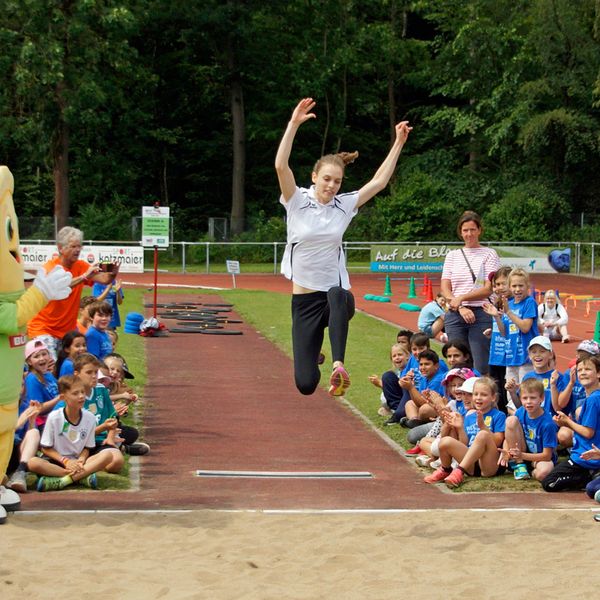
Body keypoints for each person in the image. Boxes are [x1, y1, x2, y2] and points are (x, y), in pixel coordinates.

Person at [275, 98, 411, 396]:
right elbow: (280, 165)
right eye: (326, 179)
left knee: (337, 293)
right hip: (305, 304)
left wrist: (398, 143)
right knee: (306, 384)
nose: (331, 185)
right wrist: (294, 124)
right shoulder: (297, 200)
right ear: (314, 177)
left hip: (336, 301)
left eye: (337, 181)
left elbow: (378, 183)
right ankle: (317, 357)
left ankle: (338, 365)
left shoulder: (343, 205)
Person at [27, 226, 119, 359]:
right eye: (73, 246)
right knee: (49, 364)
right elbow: (58, 286)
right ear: (60, 248)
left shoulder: (81, 266)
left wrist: (112, 274)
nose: (77, 250)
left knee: (70, 367)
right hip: (44, 328)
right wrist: (83, 277)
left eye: (79, 246)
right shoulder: (50, 267)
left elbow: (103, 279)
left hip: (67, 329)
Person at [27, 375, 113, 492]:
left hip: (79, 462)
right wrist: (66, 461)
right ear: (63, 397)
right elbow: (46, 448)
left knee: (107, 455)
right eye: (75, 393)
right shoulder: (54, 417)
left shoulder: (90, 418)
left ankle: (63, 481)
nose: (81, 396)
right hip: (57, 461)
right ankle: (80, 477)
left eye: (83, 392)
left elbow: (87, 448)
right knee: (32, 462)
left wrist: (81, 460)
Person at [441, 211, 500, 375]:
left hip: (482, 313)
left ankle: (483, 398)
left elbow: (488, 288)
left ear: (479, 230)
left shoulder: (489, 254)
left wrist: (462, 298)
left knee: (481, 365)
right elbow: (445, 287)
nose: (469, 234)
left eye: (472, 229)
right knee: (457, 365)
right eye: (465, 230)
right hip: (456, 314)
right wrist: (460, 306)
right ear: (460, 232)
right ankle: (459, 400)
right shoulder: (452, 255)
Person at [424, 377, 506, 488]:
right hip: (471, 464)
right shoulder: (469, 416)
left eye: (483, 395)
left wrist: (483, 427)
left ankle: (459, 471)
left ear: (493, 397)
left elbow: (497, 441)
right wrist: (460, 428)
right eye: (475, 394)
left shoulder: (498, 415)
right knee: (445, 441)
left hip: (488, 464)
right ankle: (446, 469)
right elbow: (464, 444)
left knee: (483, 435)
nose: (478, 398)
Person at [542, 355, 600, 493]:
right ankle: (590, 477)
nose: (583, 373)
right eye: (580, 370)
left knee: (549, 483)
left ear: (598, 373)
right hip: (582, 455)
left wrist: (567, 422)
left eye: (588, 369)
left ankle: (588, 476)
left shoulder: (594, 399)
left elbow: (588, 432)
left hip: (587, 457)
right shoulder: (591, 398)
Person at [73, 353, 125, 474]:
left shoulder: (101, 389)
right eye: (89, 373)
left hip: (100, 440)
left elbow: (112, 417)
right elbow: (76, 434)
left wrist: (110, 437)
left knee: (117, 462)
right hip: (78, 444)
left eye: (96, 372)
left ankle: (86, 467)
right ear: (76, 374)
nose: (94, 376)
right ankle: (83, 472)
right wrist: (103, 427)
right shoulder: (72, 396)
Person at [499, 378, 558, 482]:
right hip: (522, 453)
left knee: (544, 473)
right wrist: (506, 451)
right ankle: (519, 465)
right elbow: (508, 437)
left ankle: (531, 470)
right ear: (520, 399)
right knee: (511, 420)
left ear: (542, 398)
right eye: (525, 398)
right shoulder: (520, 412)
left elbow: (547, 455)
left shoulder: (548, 424)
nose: (529, 402)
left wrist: (522, 455)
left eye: (533, 398)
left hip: (540, 458)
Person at [482, 266, 512, 412]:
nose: (499, 288)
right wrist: (492, 332)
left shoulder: (513, 305)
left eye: (502, 283)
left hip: (508, 357)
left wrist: (497, 319)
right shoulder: (498, 303)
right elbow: (502, 328)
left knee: (506, 394)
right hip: (496, 355)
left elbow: (508, 331)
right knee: (496, 391)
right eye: (496, 285)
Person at [503, 268, 539, 384]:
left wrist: (508, 313)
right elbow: (505, 332)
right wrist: (496, 319)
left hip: (526, 357)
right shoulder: (509, 304)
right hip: (511, 356)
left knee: (526, 390)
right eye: (514, 286)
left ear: (527, 286)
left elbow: (525, 327)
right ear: (509, 287)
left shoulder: (529, 302)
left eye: (520, 286)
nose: (517, 289)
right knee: (511, 394)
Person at [23, 339, 60, 431]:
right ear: (29, 362)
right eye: (36, 356)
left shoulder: (48, 374)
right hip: (44, 424)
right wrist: (59, 399)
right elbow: (37, 409)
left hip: (56, 417)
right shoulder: (32, 379)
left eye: (44, 354)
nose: (42, 358)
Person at [6, 399, 42, 493]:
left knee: (34, 432)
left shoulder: (25, 406)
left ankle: (19, 472)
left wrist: (31, 421)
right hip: (3, 450)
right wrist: (17, 425)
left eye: (21, 385)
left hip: (16, 453)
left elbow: (30, 438)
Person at [368, 343, 410, 417]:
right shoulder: (397, 372)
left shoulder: (411, 370)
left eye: (400, 354)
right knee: (387, 377)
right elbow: (393, 389)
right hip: (402, 399)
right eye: (394, 356)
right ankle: (396, 410)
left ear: (407, 356)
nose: (397, 357)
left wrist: (379, 383)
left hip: (410, 399)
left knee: (386, 382)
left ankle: (399, 411)